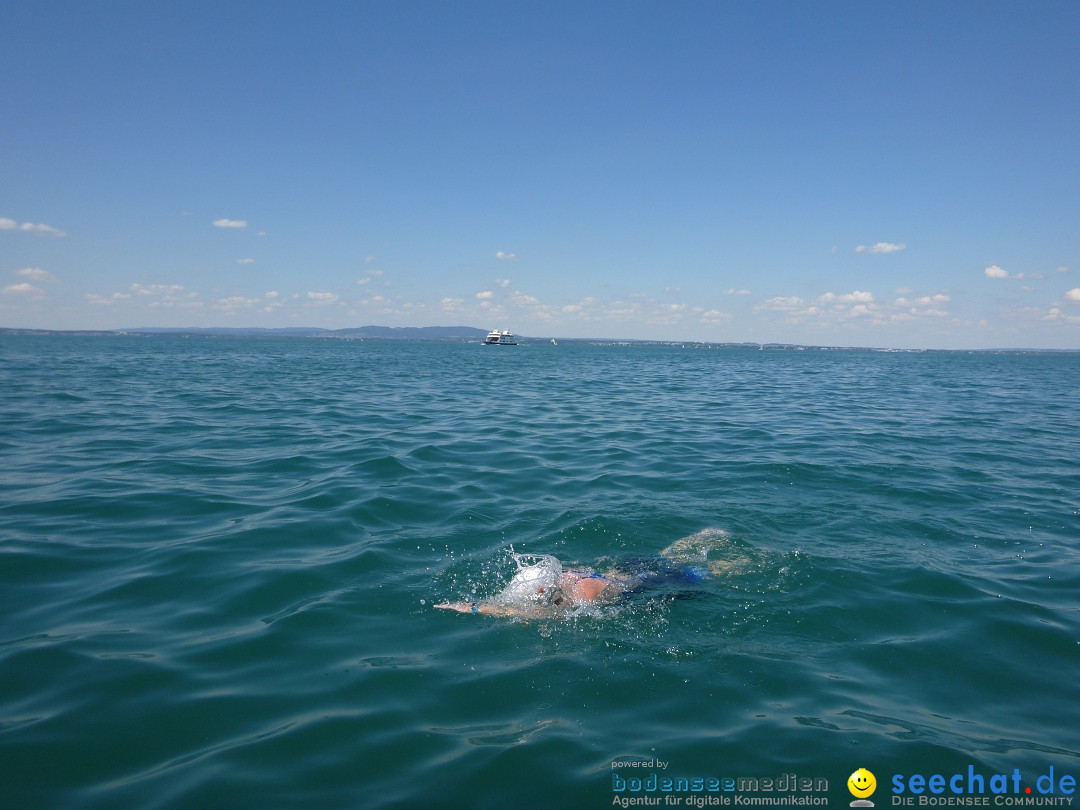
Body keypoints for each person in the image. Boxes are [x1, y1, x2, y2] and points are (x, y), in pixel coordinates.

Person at [435, 529, 739, 618]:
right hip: (621, 570)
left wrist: (471, 607)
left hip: (643, 586)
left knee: (706, 574)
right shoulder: (564, 574)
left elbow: (522, 613)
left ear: (541, 591)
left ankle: (735, 564)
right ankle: (703, 537)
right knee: (662, 558)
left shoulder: (575, 598)